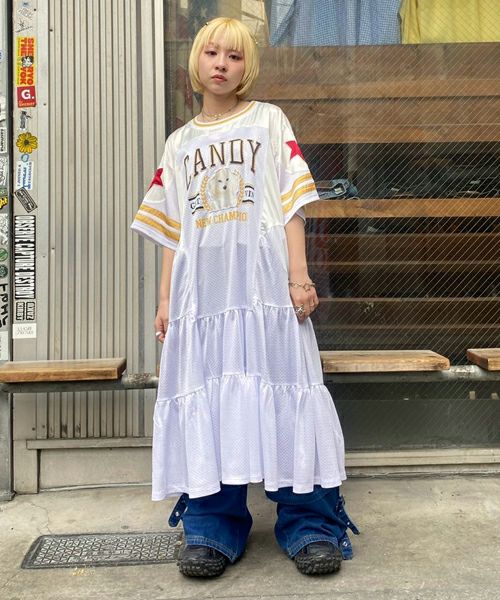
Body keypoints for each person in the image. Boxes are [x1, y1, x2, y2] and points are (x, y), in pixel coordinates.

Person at [131, 16, 358, 578]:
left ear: (246, 67)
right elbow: (174, 232)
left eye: (234, 56)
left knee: (287, 388)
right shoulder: (180, 143)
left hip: (266, 291)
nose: (222, 64)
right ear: (196, 61)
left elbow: (292, 205)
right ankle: (213, 526)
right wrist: (166, 300)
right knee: (210, 395)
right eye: (213, 53)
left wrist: (298, 277)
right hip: (205, 299)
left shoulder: (268, 121)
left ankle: (309, 522)